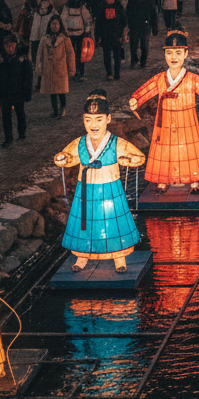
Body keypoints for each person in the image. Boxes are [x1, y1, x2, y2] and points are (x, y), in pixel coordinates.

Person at [54, 90, 146, 273]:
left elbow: (138, 156)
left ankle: (119, 256)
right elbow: (68, 157)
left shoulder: (115, 142)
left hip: (110, 188)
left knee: (113, 222)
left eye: (98, 120)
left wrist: (128, 160)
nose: (93, 125)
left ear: (108, 119)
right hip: (85, 190)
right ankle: (82, 255)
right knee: (85, 223)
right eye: (88, 120)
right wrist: (62, 158)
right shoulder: (80, 143)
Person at [128, 30, 199, 194]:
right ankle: (163, 180)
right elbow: (149, 88)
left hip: (186, 120)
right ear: (165, 54)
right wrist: (136, 99)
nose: (174, 57)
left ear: (185, 54)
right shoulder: (160, 78)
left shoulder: (191, 79)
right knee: (166, 150)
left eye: (178, 53)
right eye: (169, 53)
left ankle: (193, 180)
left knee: (189, 150)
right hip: (165, 120)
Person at [0, 35, 33, 147]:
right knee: (6, 115)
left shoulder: (22, 58)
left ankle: (21, 133)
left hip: (18, 91)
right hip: (4, 91)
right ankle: (8, 138)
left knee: (20, 113)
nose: (10, 48)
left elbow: (29, 75)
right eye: (7, 45)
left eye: (12, 45)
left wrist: (27, 91)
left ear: (15, 45)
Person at [36, 14, 76, 117]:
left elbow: (70, 53)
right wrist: (39, 68)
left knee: (61, 91)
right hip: (48, 69)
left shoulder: (65, 39)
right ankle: (55, 110)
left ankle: (62, 107)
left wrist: (71, 68)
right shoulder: (44, 39)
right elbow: (39, 55)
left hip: (61, 69)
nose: (54, 26)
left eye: (56, 24)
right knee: (52, 92)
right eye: (53, 24)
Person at [95, 0, 128, 81]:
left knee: (116, 56)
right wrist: (97, 36)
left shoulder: (118, 6)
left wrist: (123, 34)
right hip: (105, 35)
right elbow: (98, 23)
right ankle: (109, 73)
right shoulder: (102, 6)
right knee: (107, 56)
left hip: (116, 35)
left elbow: (123, 21)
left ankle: (116, 73)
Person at [61, 0, 92, 82]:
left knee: (78, 54)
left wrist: (87, 30)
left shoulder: (81, 8)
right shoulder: (68, 8)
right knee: (73, 54)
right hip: (71, 34)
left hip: (79, 34)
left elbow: (87, 19)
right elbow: (63, 19)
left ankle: (79, 72)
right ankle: (75, 72)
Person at [127, 0, 159, 68]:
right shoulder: (132, 1)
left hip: (145, 27)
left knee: (144, 46)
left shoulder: (149, 1)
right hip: (134, 26)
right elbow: (128, 14)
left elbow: (154, 16)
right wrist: (128, 25)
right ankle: (134, 59)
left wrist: (154, 28)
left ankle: (143, 62)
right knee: (133, 45)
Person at [29, 0, 55, 67]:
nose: (44, 4)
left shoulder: (52, 13)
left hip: (45, 37)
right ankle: (36, 65)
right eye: (43, 2)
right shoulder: (36, 12)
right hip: (35, 37)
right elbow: (34, 24)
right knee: (36, 53)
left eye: (46, 2)